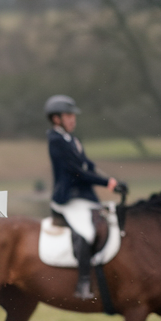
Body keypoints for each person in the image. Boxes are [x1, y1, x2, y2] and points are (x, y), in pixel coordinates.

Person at [46, 94, 124, 300]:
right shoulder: (55, 140)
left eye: (73, 116)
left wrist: (111, 180)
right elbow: (75, 172)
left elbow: (87, 165)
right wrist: (106, 183)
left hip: (84, 197)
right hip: (68, 198)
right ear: (56, 119)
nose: (73, 119)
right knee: (87, 232)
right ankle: (83, 283)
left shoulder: (72, 140)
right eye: (68, 116)